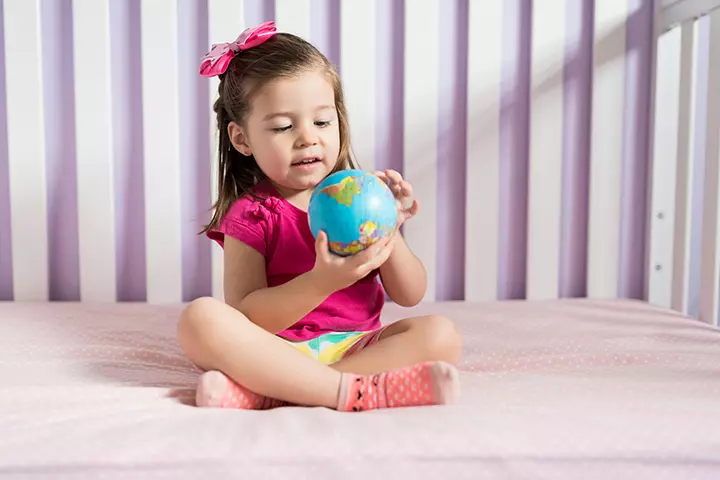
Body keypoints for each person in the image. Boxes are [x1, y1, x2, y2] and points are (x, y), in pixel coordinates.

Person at [177, 21, 463, 412]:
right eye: (283, 126)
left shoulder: (359, 197)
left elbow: (410, 295)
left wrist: (391, 228)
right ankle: (349, 392)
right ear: (242, 139)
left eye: (323, 122)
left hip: (355, 346)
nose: (308, 137)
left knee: (442, 335)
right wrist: (321, 282)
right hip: (273, 351)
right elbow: (247, 316)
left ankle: (273, 393)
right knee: (200, 319)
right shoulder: (253, 214)